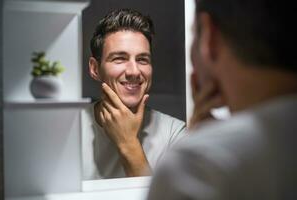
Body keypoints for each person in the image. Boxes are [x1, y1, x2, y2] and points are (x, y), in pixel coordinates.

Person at [147, 0, 297, 199]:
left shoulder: (198, 170)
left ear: (209, 38)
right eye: (119, 58)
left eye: (142, 59)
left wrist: (204, 152)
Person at [81, 8, 186, 180]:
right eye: (119, 58)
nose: (134, 71)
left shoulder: (174, 134)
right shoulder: (68, 128)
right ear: (94, 68)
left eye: (142, 59)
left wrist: (128, 143)